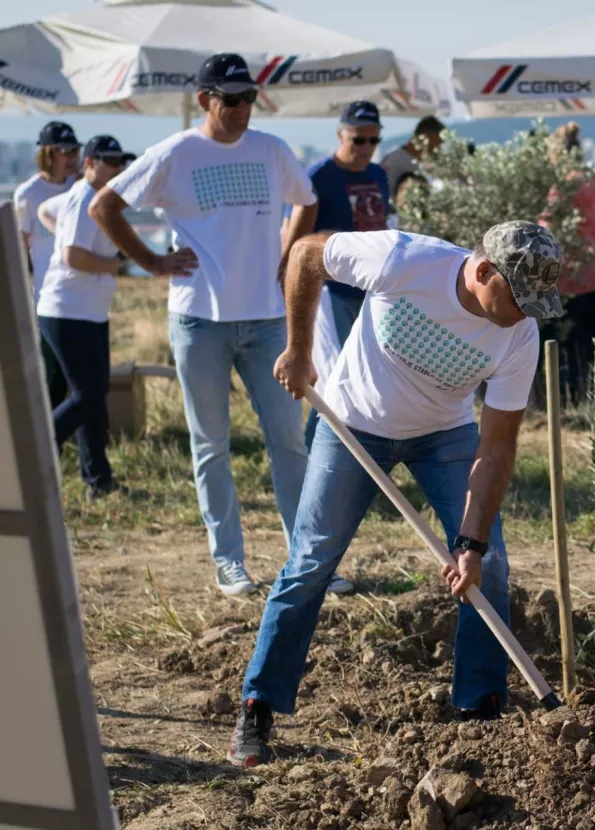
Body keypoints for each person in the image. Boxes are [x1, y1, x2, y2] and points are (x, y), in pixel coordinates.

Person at [226, 220, 564, 766]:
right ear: (482, 271)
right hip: (354, 423)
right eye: (519, 297)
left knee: (491, 566)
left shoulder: (519, 335)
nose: (525, 312)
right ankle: (258, 707)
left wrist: (471, 545)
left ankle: (480, 713)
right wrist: (299, 348)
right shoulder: (403, 260)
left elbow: (496, 447)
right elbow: (307, 255)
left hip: (444, 437)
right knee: (312, 562)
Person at [90, 53, 317, 597]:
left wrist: (288, 257)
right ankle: (229, 562)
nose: (241, 108)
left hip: (266, 319)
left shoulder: (272, 149)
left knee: (289, 440)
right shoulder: (175, 153)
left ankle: (308, 559)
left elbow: (306, 202)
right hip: (199, 320)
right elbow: (105, 206)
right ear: (204, 100)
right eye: (230, 99)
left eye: (248, 98)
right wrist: (150, 262)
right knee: (210, 444)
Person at [34, 136, 137, 500]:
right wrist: (118, 265)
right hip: (68, 312)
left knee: (92, 398)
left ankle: (99, 481)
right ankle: (35, 453)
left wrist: (59, 229)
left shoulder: (83, 194)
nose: (119, 168)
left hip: (84, 312)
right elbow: (73, 257)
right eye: (111, 161)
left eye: (122, 161)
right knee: (87, 395)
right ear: (90, 163)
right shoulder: (84, 197)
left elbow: (45, 209)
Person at [288, 101, 389, 441]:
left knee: (368, 378)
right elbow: (297, 238)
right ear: (340, 135)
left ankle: (356, 456)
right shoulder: (319, 176)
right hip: (330, 290)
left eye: (373, 141)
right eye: (358, 140)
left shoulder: (378, 174)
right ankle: (315, 455)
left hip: (371, 290)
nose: (365, 149)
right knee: (336, 382)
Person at [545, 123, 595, 404]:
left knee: (570, 345)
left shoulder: (564, 184)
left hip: (571, 277)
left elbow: (548, 226)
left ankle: (572, 400)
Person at [15, 120, 80, 410]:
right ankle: (50, 441)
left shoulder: (79, 187)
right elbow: (19, 246)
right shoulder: (28, 194)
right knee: (50, 373)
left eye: (75, 151)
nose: (72, 158)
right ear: (47, 154)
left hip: (81, 293)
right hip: (45, 296)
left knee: (77, 375)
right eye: (65, 151)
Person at [379, 116, 445, 203]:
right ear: (425, 138)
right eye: (438, 143)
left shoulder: (402, 157)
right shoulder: (401, 162)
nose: (438, 149)